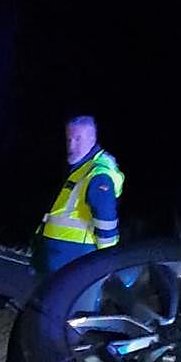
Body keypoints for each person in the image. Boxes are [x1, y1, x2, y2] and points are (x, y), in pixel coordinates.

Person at [34, 115, 124, 274]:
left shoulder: (98, 175)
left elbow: (106, 221)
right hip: (61, 260)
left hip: (75, 261)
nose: (71, 145)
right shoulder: (81, 169)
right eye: (69, 139)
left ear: (92, 139)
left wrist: (107, 260)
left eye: (77, 139)